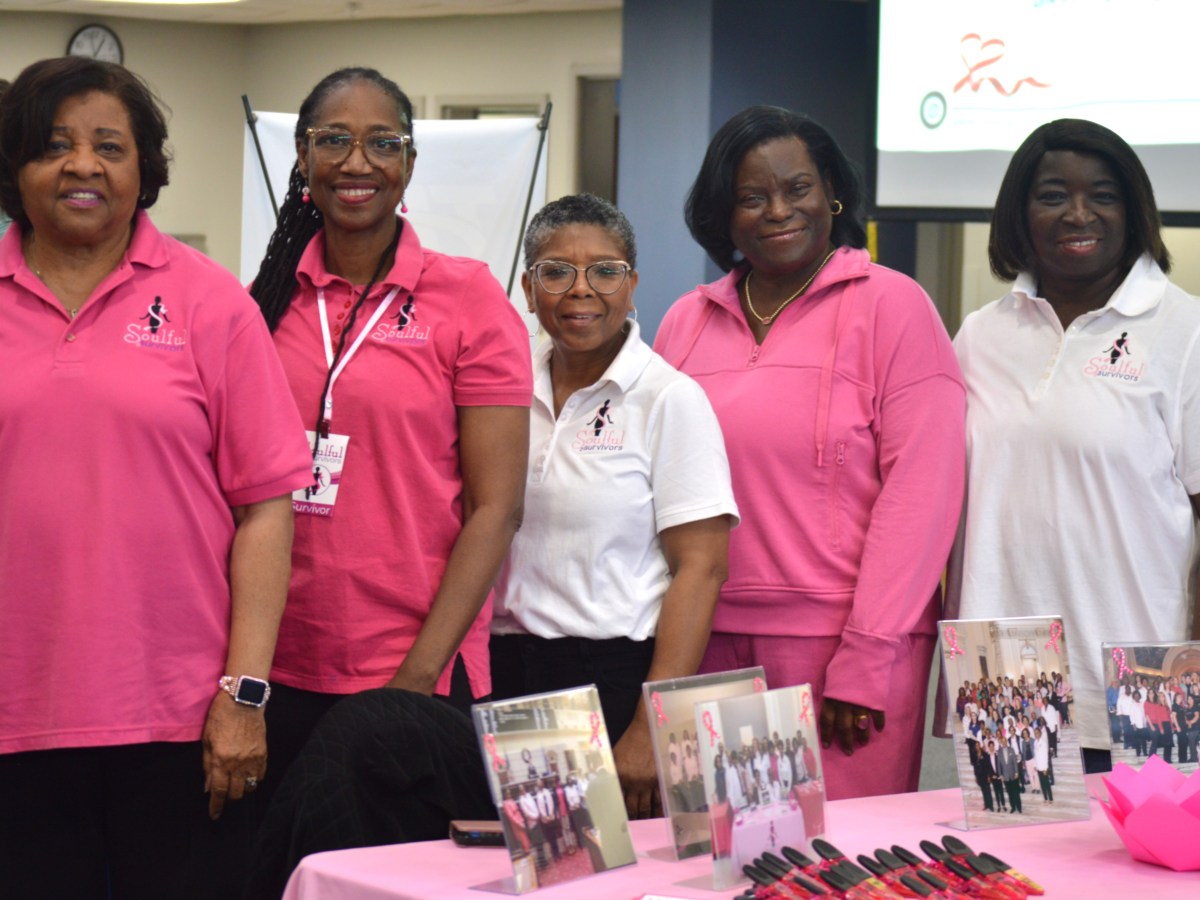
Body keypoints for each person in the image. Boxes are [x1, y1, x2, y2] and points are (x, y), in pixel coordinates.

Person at [0, 57, 312, 897]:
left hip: (181, 724)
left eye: (110, 145)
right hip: (13, 719)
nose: (83, 166)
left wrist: (245, 693)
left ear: (145, 169)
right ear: (14, 167)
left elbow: (266, 514)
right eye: (53, 145)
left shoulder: (213, 306)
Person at [653, 105, 965, 800]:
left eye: (798, 189)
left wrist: (869, 658)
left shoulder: (895, 307)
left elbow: (922, 496)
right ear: (721, 213)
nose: (778, 211)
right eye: (751, 197)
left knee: (839, 872)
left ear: (834, 195)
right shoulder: (685, 321)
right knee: (718, 869)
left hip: (842, 652)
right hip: (702, 644)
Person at [247, 67, 532, 787]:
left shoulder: (468, 299)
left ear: (409, 162)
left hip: (410, 666)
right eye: (333, 140)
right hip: (273, 662)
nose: (356, 162)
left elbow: (496, 509)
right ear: (304, 158)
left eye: (382, 142)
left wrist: (417, 675)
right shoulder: (264, 300)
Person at [947, 119, 1200, 774]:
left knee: (1143, 872)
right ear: (1019, 214)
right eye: (1053, 194)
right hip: (1001, 663)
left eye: (1104, 195)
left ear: (1134, 210)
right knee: (1017, 866)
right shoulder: (979, 335)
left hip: (1148, 670)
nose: (1078, 213)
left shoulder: (1187, 331)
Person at [490, 193, 738, 818]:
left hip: (609, 680)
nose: (581, 290)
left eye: (604, 271)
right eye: (556, 271)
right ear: (527, 286)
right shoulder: (499, 384)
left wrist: (648, 725)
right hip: (501, 671)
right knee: (505, 873)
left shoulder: (667, 399)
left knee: (590, 873)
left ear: (631, 286)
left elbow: (701, 569)